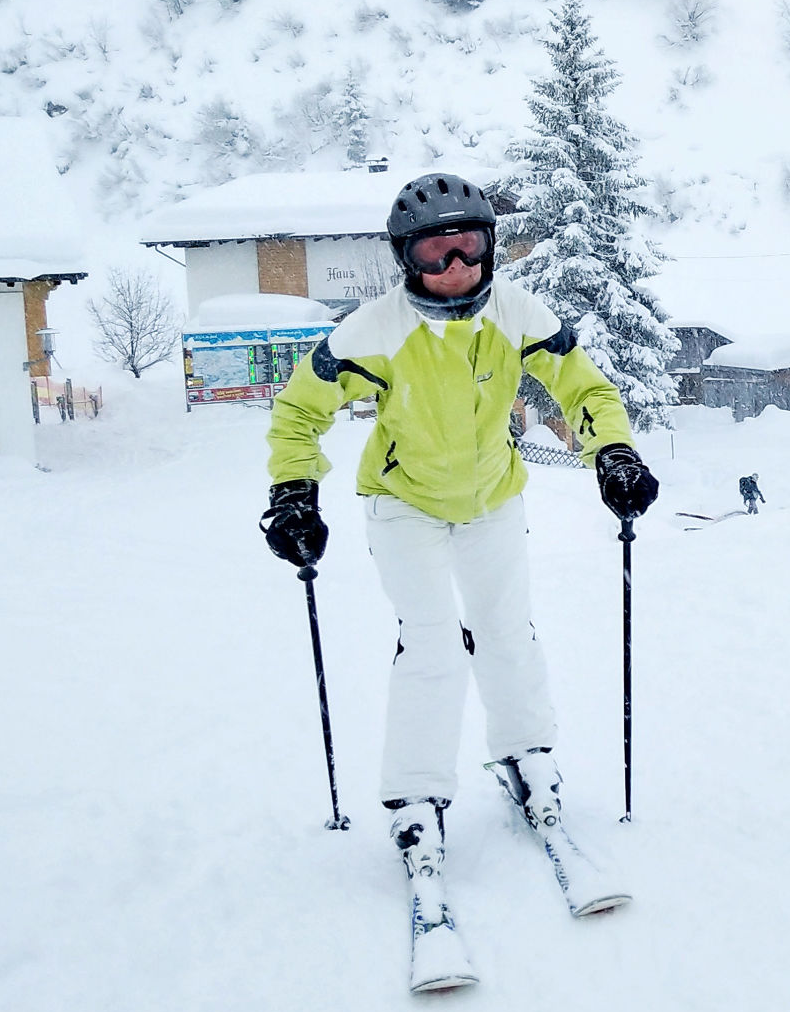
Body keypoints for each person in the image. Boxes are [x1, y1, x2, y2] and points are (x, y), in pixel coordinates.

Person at [257, 173, 660, 927]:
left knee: (508, 631)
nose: (455, 268)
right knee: (433, 644)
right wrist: (294, 492)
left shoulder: (517, 313)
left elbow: (586, 390)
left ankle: (527, 758)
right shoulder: (372, 331)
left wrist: (612, 453)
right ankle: (416, 799)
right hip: (403, 503)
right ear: (405, 259)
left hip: (492, 498)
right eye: (434, 253)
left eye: (468, 247)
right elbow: (297, 413)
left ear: (490, 248)